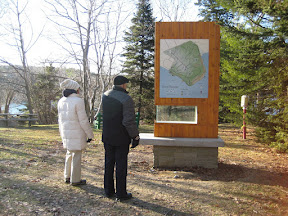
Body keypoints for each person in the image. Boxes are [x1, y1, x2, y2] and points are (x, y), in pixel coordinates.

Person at [102, 75, 140, 201]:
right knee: (121, 165)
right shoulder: (126, 99)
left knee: (108, 163)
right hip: (121, 137)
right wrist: (135, 136)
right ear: (124, 85)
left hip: (107, 135)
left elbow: (102, 114)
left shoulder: (105, 95)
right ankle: (121, 193)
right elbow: (128, 121)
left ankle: (108, 190)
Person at [58, 79, 94, 186]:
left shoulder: (61, 101)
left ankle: (67, 176)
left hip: (66, 132)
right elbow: (83, 121)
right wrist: (90, 134)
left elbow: (60, 120)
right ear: (75, 89)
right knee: (76, 156)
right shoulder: (78, 101)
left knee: (69, 154)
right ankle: (75, 180)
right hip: (77, 133)